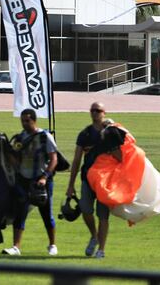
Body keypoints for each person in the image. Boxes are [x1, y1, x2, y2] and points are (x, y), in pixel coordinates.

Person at [3, 108, 59, 256]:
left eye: (27, 120)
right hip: (23, 179)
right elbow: (16, 161)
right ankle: (16, 247)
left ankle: (52, 244)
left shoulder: (44, 137)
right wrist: (8, 154)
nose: (24, 123)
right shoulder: (20, 138)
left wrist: (45, 177)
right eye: (22, 121)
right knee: (20, 212)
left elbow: (54, 158)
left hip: (41, 180)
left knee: (46, 212)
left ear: (34, 120)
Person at [66, 101, 110, 259]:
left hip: (105, 180)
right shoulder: (85, 134)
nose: (95, 113)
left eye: (98, 110)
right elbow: (77, 160)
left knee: (103, 215)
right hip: (87, 178)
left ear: (104, 112)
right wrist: (71, 185)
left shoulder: (110, 131)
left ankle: (101, 250)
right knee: (85, 209)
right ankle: (94, 236)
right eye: (93, 110)